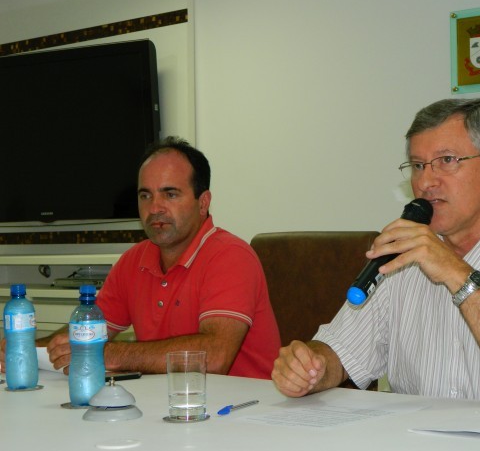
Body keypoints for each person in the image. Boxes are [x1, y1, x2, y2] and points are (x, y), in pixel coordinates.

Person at [271, 98, 480, 405]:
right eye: (418, 165)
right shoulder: (401, 255)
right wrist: (310, 366)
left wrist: (456, 272)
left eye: (446, 161)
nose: (426, 182)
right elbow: (339, 353)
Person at [1, 137, 280, 379]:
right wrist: (22, 349)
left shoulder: (231, 256)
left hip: (241, 413)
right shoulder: (133, 260)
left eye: (170, 194)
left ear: (203, 203)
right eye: (145, 195)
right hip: (167, 407)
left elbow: (215, 356)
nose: (155, 208)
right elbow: (88, 332)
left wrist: (107, 354)